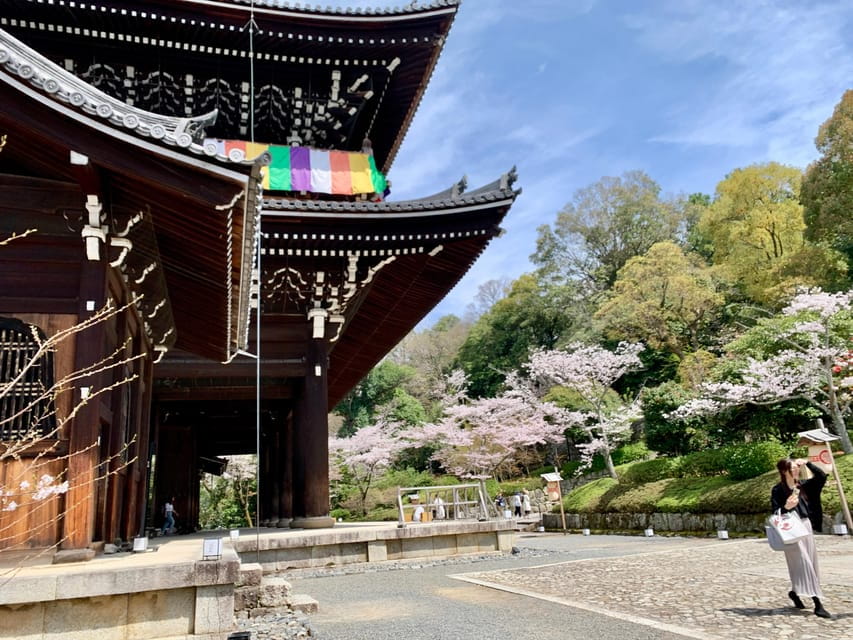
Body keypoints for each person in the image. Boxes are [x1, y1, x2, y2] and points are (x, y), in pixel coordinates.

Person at [770, 458, 830, 618]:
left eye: (797, 467)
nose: (796, 470)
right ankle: (818, 603)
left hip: (806, 526)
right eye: (793, 468)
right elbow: (775, 512)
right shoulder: (778, 490)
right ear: (784, 471)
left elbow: (822, 477)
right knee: (803, 564)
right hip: (790, 530)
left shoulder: (804, 486)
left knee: (811, 562)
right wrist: (786, 507)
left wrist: (808, 463)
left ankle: (795, 593)